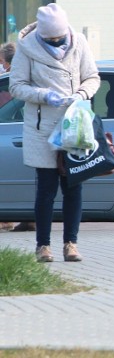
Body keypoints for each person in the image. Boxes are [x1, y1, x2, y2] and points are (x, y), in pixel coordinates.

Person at [9, 3, 100, 262]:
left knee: (74, 187)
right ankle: (43, 246)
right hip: (42, 128)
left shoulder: (79, 43)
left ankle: (71, 243)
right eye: (51, 39)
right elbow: (16, 86)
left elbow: (92, 77)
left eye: (60, 38)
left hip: (75, 124)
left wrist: (80, 94)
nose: (57, 42)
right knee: (46, 189)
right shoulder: (27, 48)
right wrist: (44, 95)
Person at [0, 42, 37, 232]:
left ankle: (6, 220)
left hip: (18, 134)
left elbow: (12, 106)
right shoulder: (25, 75)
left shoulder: (14, 80)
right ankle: (28, 219)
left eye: (1, 62)